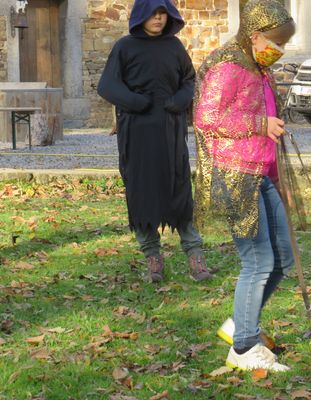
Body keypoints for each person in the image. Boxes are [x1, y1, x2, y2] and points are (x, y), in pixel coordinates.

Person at [193, 0, 296, 372]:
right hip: (234, 174)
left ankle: (242, 322)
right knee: (258, 261)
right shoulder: (228, 66)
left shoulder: (259, 67)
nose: (279, 50)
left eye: (284, 43)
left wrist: (277, 180)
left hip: (261, 174)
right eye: (275, 42)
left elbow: (268, 126)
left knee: (282, 259)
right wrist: (258, 122)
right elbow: (207, 118)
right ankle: (243, 347)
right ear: (255, 35)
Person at [97, 0, 214, 283]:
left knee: (179, 190)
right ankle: (153, 258)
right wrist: (137, 102)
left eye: (162, 13)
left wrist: (180, 100)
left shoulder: (174, 46)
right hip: (137, 133)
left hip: (170, 132)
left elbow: (189, 79)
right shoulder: (125, 47)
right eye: (153, 13)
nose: (158, 18)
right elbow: (107, 86)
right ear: (141, 16)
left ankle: (195, 256)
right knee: (142, 193)